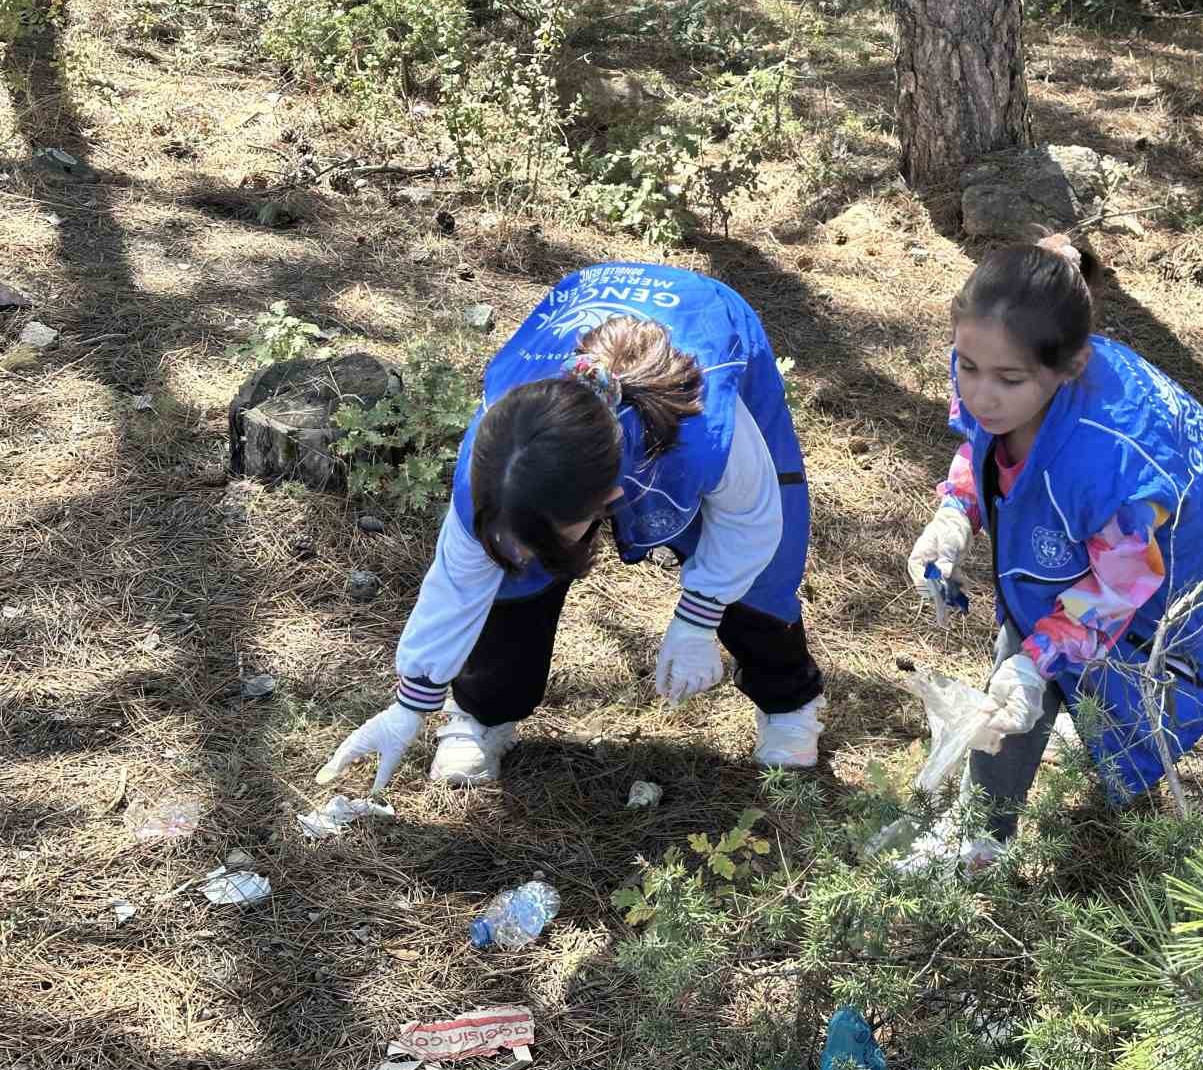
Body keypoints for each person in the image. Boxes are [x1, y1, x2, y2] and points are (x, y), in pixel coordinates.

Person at [317, 262, 826, 792]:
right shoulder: (495, 459)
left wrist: (699, 618)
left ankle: (788, 698)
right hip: (582, 344)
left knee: (762, 573)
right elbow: (458, 580)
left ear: (611, 498)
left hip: (707, 324)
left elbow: (752, 522)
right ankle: (483, 714)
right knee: (509, 561)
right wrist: (408, 706)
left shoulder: (709, 429)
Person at [903, 236, 1203, 867]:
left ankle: (1073, 827)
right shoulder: (995, 369)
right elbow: (981, 443)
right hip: (1088, 518)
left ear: (1071, 367)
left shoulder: (1115, 470)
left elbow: (1116, 588)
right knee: (1024, 658)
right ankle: (982, 835)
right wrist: (957, 510)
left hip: (1154, 552)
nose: (981, 395)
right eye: (966, 367)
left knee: (1111, 685)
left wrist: (1037, 660)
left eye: (1007, 379)